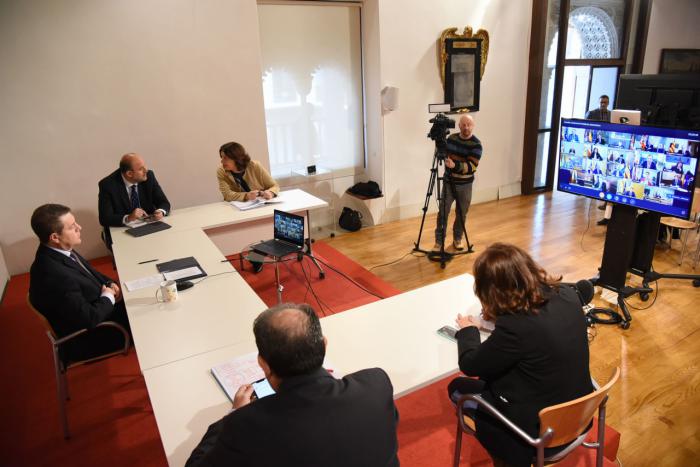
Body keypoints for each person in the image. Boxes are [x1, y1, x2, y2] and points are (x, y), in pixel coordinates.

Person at [186, 303, 399, 467]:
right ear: (324, 344)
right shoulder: (376, 385)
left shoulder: (245, 426)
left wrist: (232, 415)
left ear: (263, 364)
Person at [447, 243, 593, 467]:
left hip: (541, 435)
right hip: (581, 417)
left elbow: (470, 364)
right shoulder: (567, 294)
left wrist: (468, 330)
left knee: (457, 388)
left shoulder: (516, 326)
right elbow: (538, 331)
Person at [29, 204, 131, 361]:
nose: (80, 228)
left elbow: (93, 274)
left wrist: (110, 284)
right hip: (91, 337)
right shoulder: (53, 274)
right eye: (72, 227)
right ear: (55, 237)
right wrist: (108, 297)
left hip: (98, 309)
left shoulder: (58, 250)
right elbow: (90, 319)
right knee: (151, 320)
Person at [98, 153, 171, 248]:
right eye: (141, 169)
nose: (146, 170)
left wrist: (160, 211)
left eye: (145, 166)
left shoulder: (149, 176)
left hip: (150, 228)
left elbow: (164, 202)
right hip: (123, 233)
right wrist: (128, 217)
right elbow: (105, 218)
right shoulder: (108, 185)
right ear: (129, 174)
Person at [433, 114, 483, 252]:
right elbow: (442, 153)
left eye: (469, 124)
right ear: (459, 125)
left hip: (465, 185)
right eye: (464, 124)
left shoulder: (476, 145)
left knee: (462, 214)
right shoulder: (451, 139)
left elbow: (471, 167)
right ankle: (439, 241)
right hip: (449, 182)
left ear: (473, 126)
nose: (466, 127)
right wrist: (440, 150)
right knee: (443, 212)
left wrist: (454, 165)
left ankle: (457, 239)